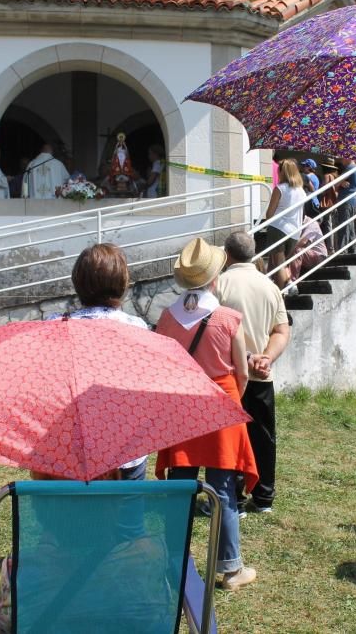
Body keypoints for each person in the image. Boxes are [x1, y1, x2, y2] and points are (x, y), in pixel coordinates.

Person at [155, 237, 259, 591]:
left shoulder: (167, 318)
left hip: (182, 403)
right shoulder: (229, 318)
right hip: (220, 401)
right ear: (215, 278)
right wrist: (233, 399)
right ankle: (230, 568)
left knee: (179, 486)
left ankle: (173, 563)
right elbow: (242, 371)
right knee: (223, 487)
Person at [45, 243, 151, 480]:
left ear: (78, 282)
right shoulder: (136, 328)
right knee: (127, 517)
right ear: (122, 283)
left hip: (69, 446)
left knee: (70, 517)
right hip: (125, 447)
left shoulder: (53, 326)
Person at [216, 231, 291, 515]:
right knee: (263, 436)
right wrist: (266, 357)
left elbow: (215, 331)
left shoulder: (220, 284)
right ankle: (264, 497)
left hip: (230, 374)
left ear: (227, 254)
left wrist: (245, 359)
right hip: (261, 373)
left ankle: (234, 496)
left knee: (233, 436)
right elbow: (282, 330)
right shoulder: (270, 285)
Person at [264, 158, 307, 289]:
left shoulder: (280, 188)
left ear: (283, 172)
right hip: (294, 232)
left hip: (278, 228)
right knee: (281, 263)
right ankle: (284, 285)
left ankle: (286, 288)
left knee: (279, 264)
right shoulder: (302, 191)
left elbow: (269, 213)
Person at [288, 215, 327, 281]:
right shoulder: (295, 223)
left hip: (319, 256)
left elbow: (303, 242)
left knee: (297, 250)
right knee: (278, 251)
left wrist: (286, 251)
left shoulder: (311, 223)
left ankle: (292, 282)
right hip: (307, 254)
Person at [335, 158, 356, 253]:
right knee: (350, 227)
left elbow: (336, 183)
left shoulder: (350, 168)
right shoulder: (355, 168)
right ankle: (353, 250)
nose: (340, 159)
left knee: (344, 226)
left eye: (342, 157)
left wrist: (340, 182)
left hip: (346, 201)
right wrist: (342, 182)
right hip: (352, 201)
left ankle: (342, 252)